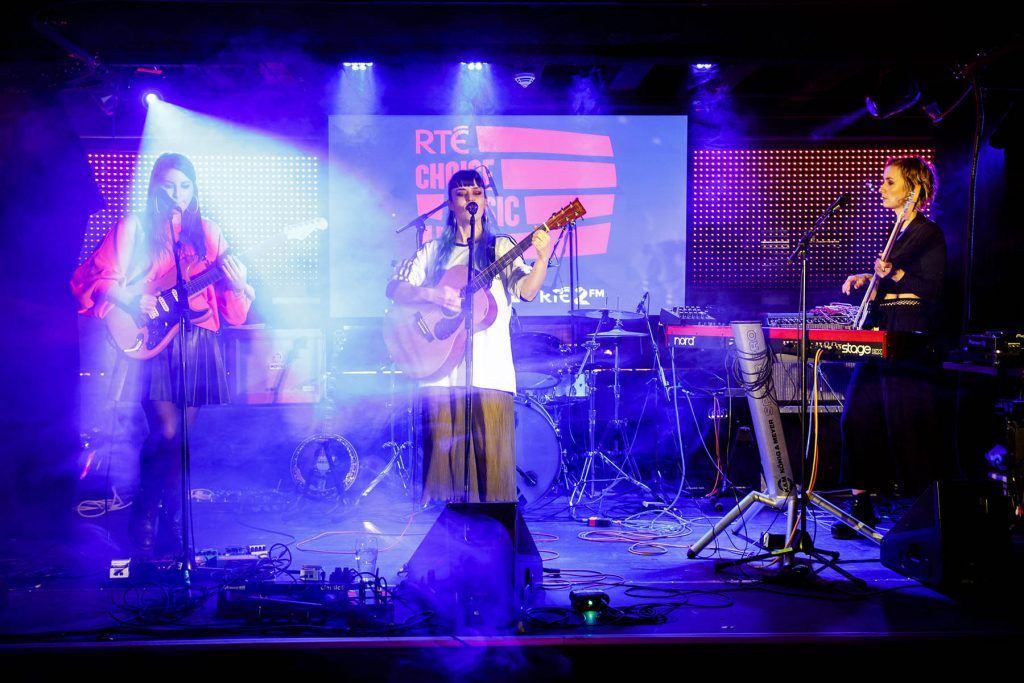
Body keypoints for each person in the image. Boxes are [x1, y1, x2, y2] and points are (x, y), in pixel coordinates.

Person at [71, 153, 254, 552]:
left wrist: (239, 286)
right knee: (166, 433)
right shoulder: (134, 228)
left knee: (182, 438)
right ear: (155, 188)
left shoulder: (208, 233)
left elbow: (232, 310)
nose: (178, 195)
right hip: (153, 340)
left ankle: (168, 517)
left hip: (197, 339)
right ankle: (148, 515)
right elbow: (93, 279)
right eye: (169, 186)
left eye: (185, 186)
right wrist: (135, 298)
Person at [386, 169, 550, 503]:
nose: (469, 198)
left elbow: (527, 291)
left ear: (486, 202)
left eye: (477, 192)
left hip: (490, 373)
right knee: (444, 473)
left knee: (492, 472)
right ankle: (449, 544)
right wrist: (433, 296)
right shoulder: (432, 252)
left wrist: (542, 257)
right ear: (450, 202)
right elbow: (395, 288)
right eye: (462, 193)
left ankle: (495, 540)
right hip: (439, 376)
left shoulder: (499, 247)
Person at [835, 156, 946, 538]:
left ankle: (921, 512)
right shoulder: (896, 233)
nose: (881, 188)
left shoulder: (928, 233)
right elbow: (895, 282)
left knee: (906, 422)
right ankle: (861, 503)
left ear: (913, 191)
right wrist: (870, 277)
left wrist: (894, 273)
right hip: (881, 328)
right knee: (856, 416)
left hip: (908, 333)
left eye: (889, 183)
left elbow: (931, 286)